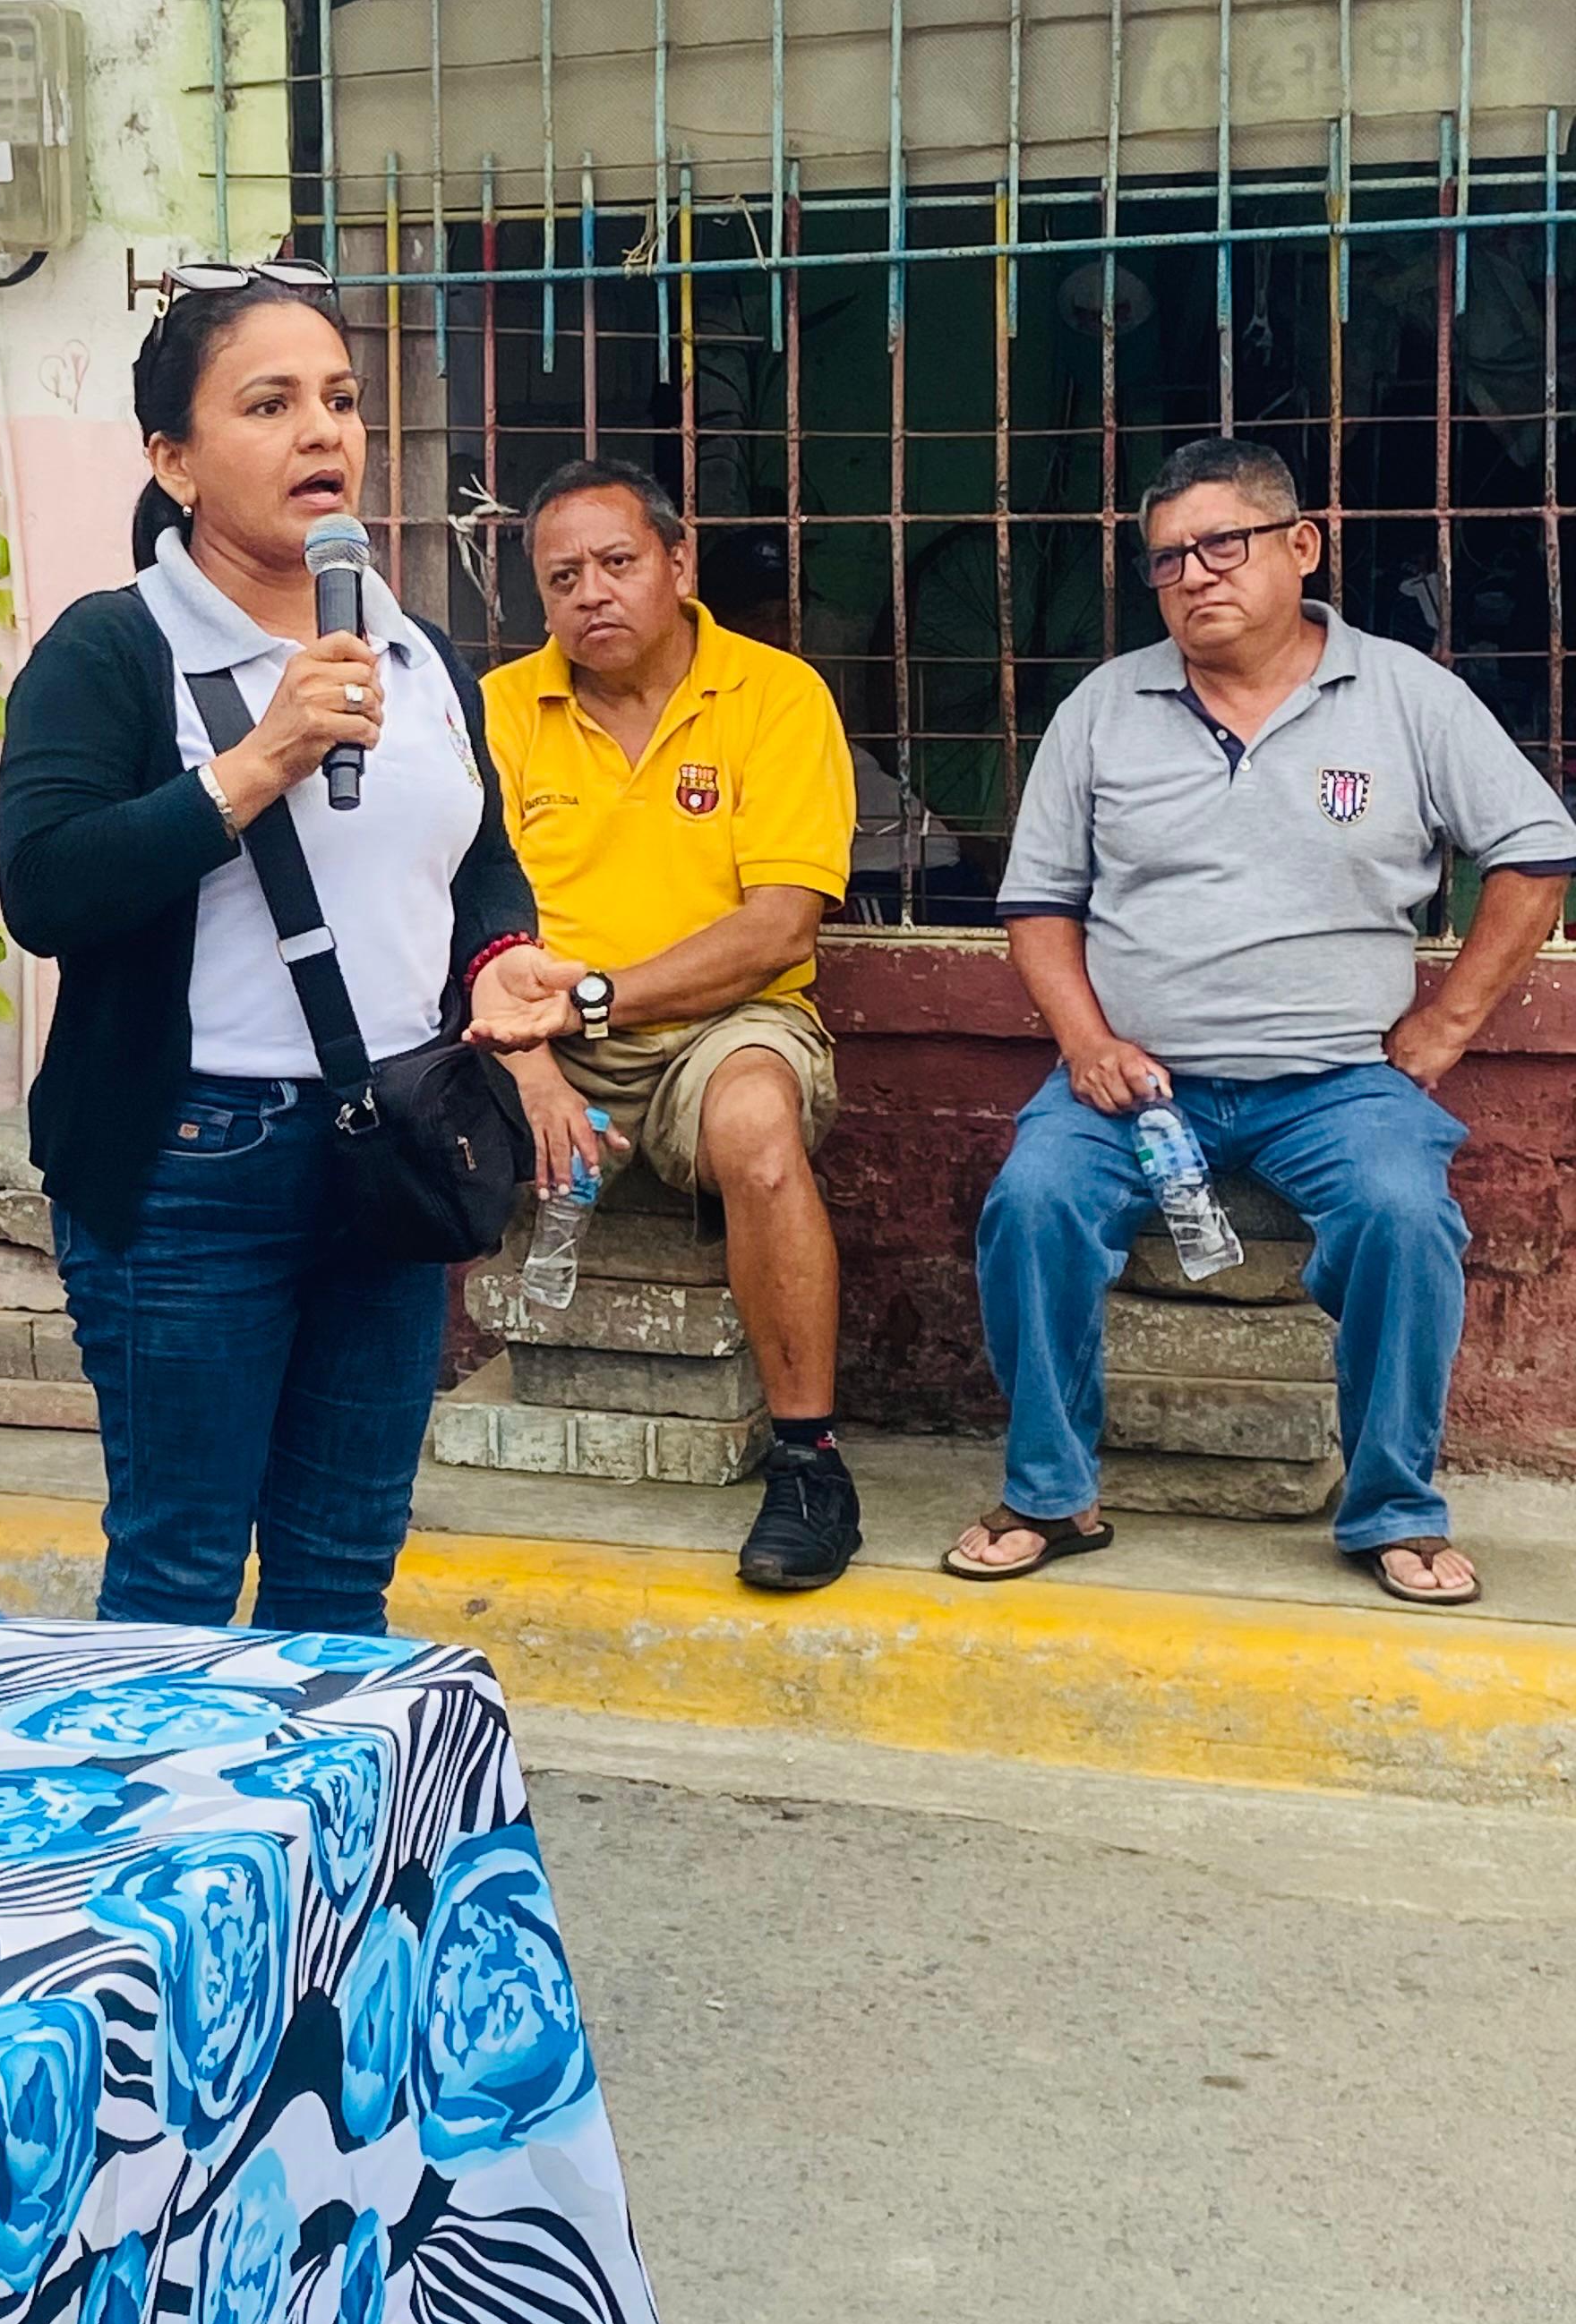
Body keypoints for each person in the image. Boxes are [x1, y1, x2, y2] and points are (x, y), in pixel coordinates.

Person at [0, 260, 549, 1635]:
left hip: (392, 1150)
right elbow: (47, 888)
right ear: (173, 459)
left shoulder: (417, 653)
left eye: (341, 401)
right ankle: (166, 1790)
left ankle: (318, 1788)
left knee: (341, 1574)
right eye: (270, 404)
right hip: (190, 1167)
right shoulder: (112, 650)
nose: (323, 433)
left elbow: (476, 856)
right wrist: (257, 765)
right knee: (180, 1577)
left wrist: (500, 958)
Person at [948, 437, 1576, 1608]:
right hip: (1134, 1081)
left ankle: (1393, 1507)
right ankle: (1050, 1493)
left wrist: (1446, 1028)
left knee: (1404, 1219)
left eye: (1222, 545)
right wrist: (1086, 1043)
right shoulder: (1105, 709)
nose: (1193, 575)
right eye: (1167, 559)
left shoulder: (1406, 697)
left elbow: (1536, 854)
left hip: (1336, 1081)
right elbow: (1039, 905)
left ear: (1302, 546)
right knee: (1032, 1204)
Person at [467, 459, 864, 1594]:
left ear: (679, 565)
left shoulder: (776, 695)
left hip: (720, 1024)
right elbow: (447, 911)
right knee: (352, 1115)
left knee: (758, 1132)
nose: (591, 593)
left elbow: (778, 928)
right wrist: (534, 1067)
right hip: (526, 1029)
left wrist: (596, 1000)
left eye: (617, 563)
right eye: (562, 578)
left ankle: (810, 1463)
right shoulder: (497, 712)